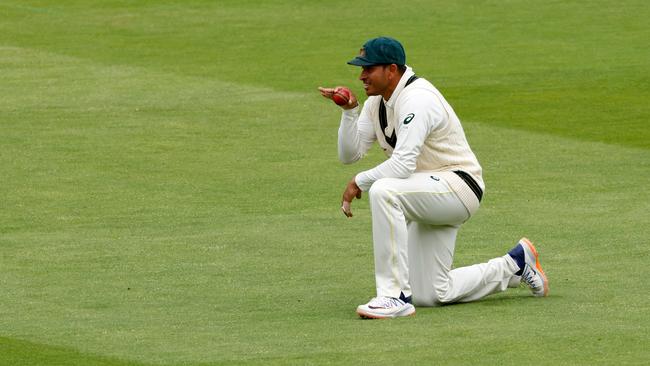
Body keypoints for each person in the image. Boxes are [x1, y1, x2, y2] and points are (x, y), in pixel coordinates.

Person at [318, 36, 548, 319]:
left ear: (391, 69)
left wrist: (358, 182)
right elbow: (349, 155)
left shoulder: (418, 99)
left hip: (458, 186)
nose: (361, 76)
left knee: (383, 190)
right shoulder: (376, 102)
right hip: (427, 192)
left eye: (369, 69)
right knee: (431, 294)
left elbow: (402, 165)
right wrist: (349, 112)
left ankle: (393, 296)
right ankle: (515, 264)